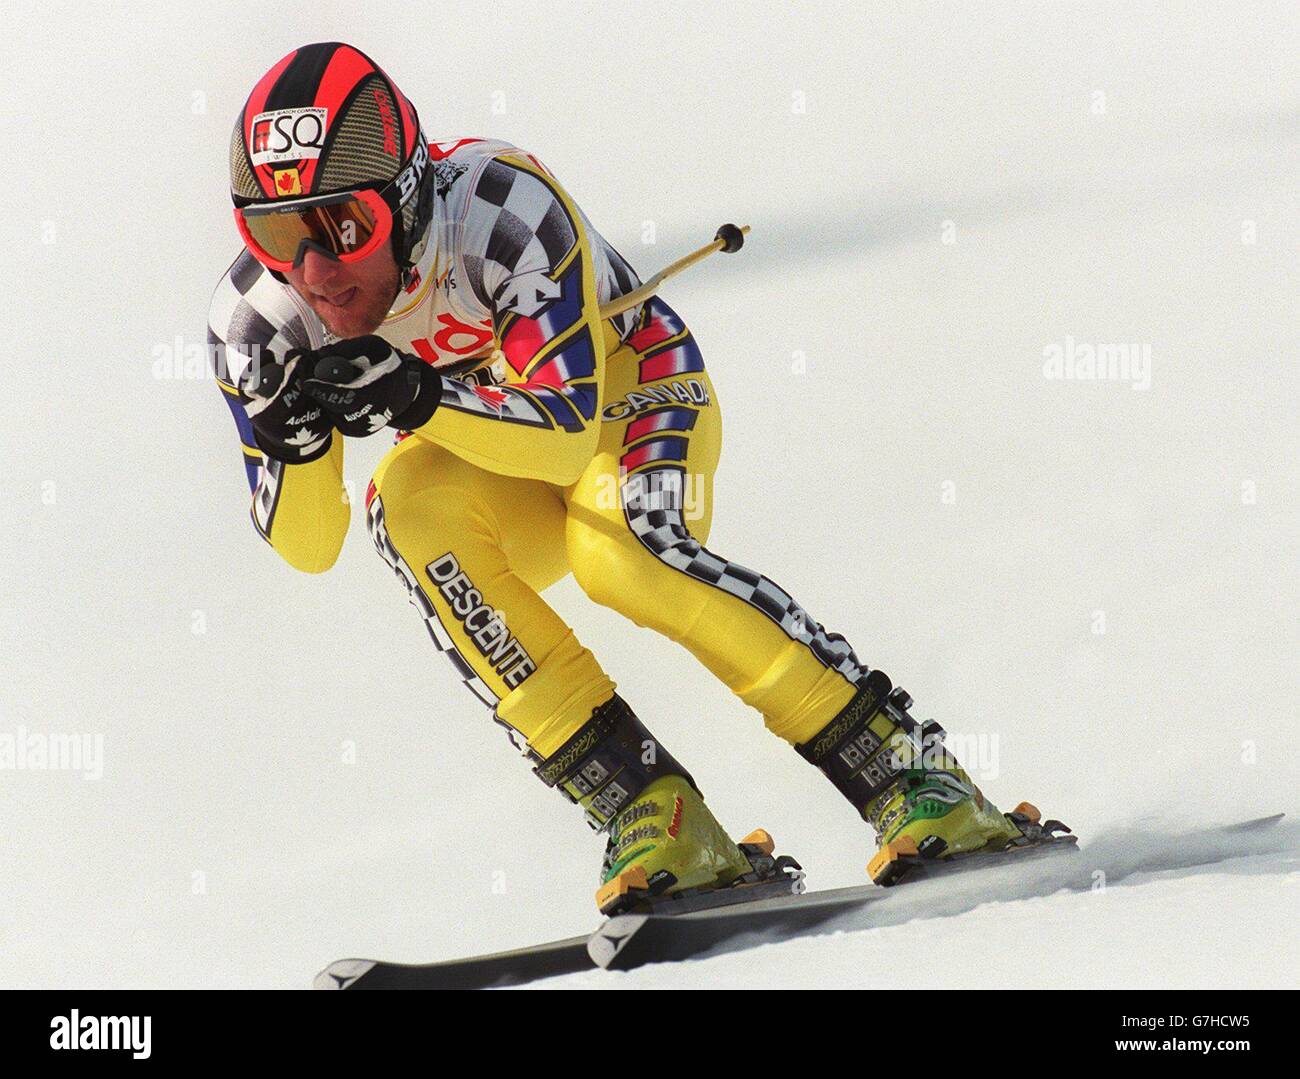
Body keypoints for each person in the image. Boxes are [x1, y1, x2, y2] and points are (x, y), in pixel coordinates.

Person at [210, 41, 1046, 915]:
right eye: (272, 235)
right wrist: (296, 445)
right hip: (498, 442)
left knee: (620, 555)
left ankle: (912, 771)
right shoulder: (257, 321)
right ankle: (650, 805)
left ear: (409, 197)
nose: (313, 272)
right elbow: (310, 548)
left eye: (343, 229)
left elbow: (569, 437)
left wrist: (418, 394)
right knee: (407, 508)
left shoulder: (499, 207)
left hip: (631, 385)